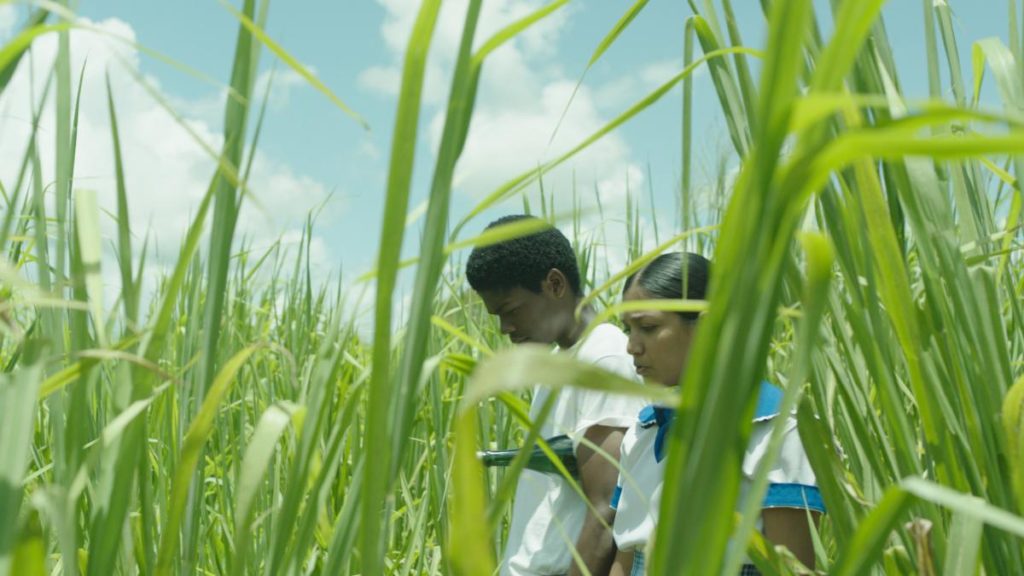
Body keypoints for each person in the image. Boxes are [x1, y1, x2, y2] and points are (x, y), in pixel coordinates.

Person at [610, 252, 823, 576]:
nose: (631, 346)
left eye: (648, 327)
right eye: (628, 329)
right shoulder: (644, 430)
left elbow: (791, 568)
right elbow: (625, 559)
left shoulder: (776, 429)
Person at [466, 214, 646, 576]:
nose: (505, 329)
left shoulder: (604, 358)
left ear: (555, 283)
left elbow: (605, 510)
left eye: (510, 310)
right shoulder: (558, 364)